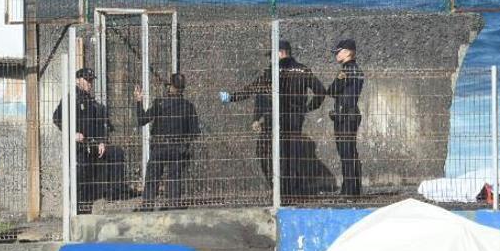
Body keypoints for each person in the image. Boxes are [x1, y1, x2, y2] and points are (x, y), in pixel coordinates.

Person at [220, 40, 325, 196]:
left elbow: (253, 89)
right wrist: (306, 108)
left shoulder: (272, 71)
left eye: (272, 55)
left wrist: (231, 97)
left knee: (266, 152)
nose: (270, 59)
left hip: (275, 119)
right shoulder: (303, 70)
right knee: (290, 154)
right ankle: (290, 191)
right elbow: (321, 91)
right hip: (295, 119)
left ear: (281, 53)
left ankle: (278, 189)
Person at [135, 73, 200, 210]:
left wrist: (139, 101)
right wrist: (184, 145)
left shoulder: (160, 103)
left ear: (171, 86)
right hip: (177, 148)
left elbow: (142, 120)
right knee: (174, 178)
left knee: (153, 178)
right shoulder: (188, 106)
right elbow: (195, 132)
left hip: (159, 146)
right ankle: (174, 205)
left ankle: (147, 205)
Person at [53, 68, 110, 214]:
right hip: (77, 149)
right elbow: (57, 118)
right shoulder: (71, 98)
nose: (89, 83)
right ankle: (76, 215)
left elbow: (97, 123)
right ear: (78, 80)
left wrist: (101, 141)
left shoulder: (90, 101)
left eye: (91, 80)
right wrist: (72, 133)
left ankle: (85, 215)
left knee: (88, 183)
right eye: (87, 80)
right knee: (79, 182)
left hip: (90, 148)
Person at [326, 38, 364, 196]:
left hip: (345, 116)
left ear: (348, 52)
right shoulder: (356, 70)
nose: (336, 54)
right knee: (350, 153)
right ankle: (352, 189)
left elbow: (332, 91)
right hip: (349, 114)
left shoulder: (347, 71)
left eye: (338, 51)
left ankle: (349, 191)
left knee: (346, 153)